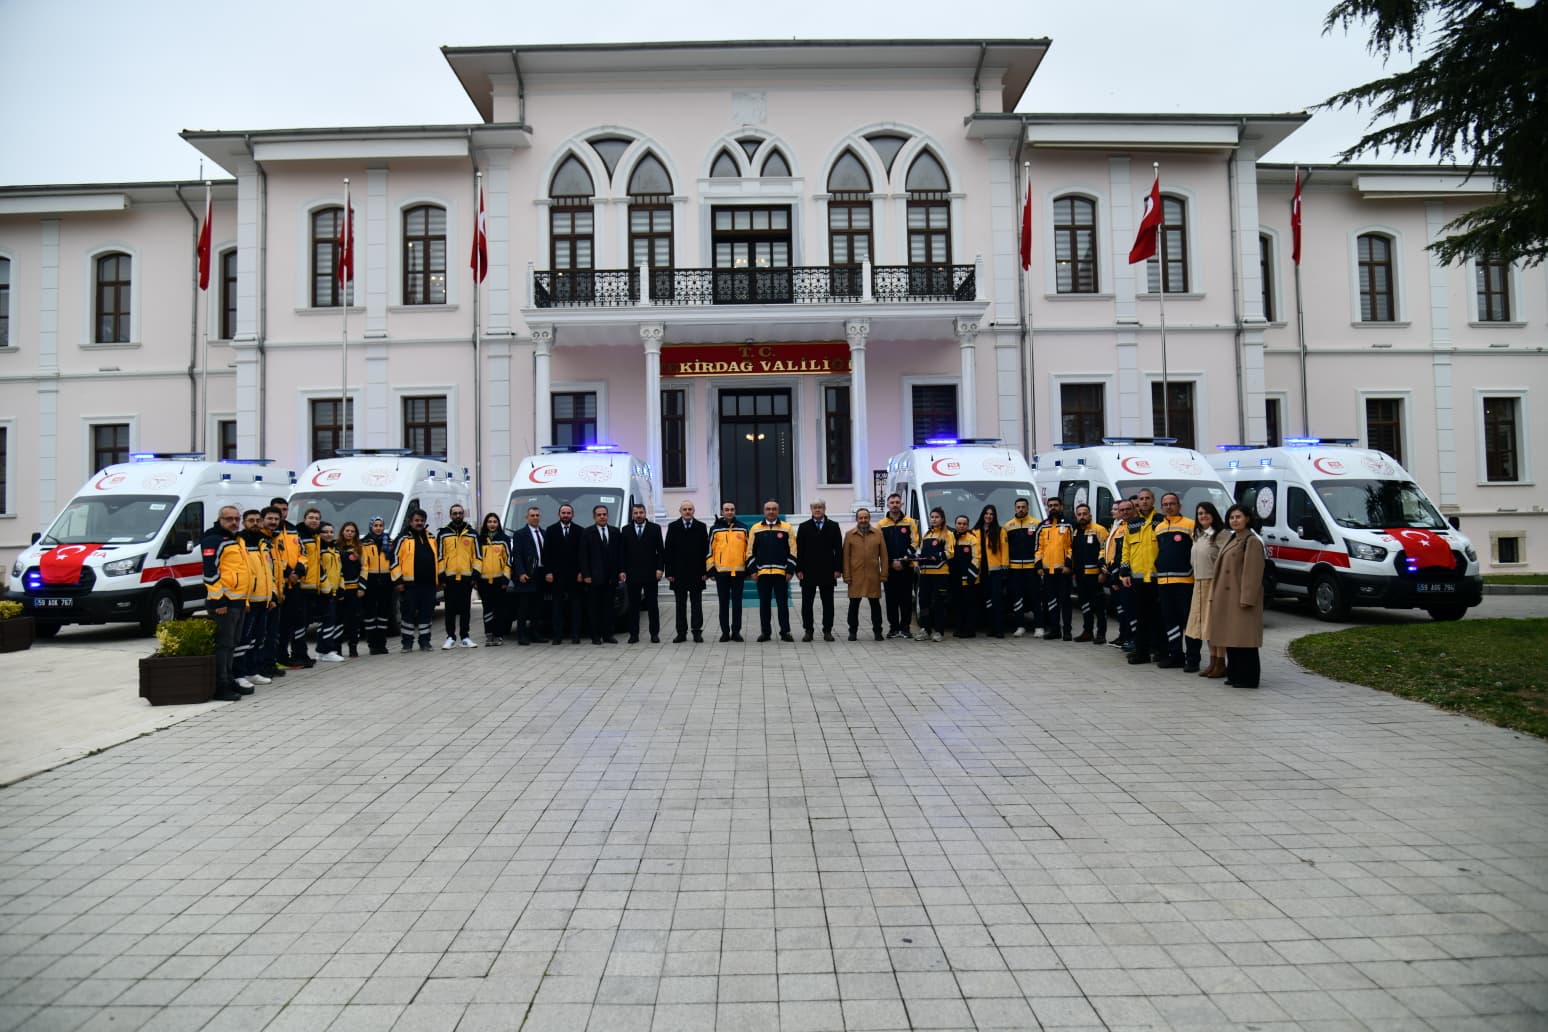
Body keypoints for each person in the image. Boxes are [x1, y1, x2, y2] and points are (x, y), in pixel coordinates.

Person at [1210, 504, 1267, 688]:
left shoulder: (1252, 541)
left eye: (1238, 517)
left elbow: (1253, 572)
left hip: (1241, 598)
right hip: (1227, 598)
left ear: (1247, 518)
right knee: (1232, 639)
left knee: (1245, 641)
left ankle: (1248, 678)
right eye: (1232, 517)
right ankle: (1234, 674)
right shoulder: (1232, 538)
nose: (1234, 520)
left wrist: (1247, 598)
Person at [202, 505, 250, 702]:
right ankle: (221, 685)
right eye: (229, 519)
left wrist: (244, 599)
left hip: (237, 601)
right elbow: (210, 572)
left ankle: (229, 680)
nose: (234, 522)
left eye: (237, 519)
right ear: (220, 519)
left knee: (232, 645)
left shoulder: (235, 540)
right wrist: (218, 599)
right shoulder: (213, 539)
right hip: (224, 603)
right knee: (223, 645)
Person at [1118, 489, 1163, 665]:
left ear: (1153, 501)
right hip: (1137, 578)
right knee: (1141, 617)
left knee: (1158, 617)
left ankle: (1159, 650)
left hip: (1156, 577)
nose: (1144, 502)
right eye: (1141, 499)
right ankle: (1141, 652)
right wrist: (1124, 572)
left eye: (1147, 498)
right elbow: (1126, 549)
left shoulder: (1160, 521)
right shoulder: (1133, 524)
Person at [1153, 492, 1196, 669]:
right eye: (1165, 504)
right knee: (1170, 620)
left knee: (1188, 621)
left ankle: (1193, 659)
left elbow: (1196, 551)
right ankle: (1176, 654)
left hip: (1185, 581)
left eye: (1172, 503)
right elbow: (1157, 552)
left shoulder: (1190, 525)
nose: (1168, 506)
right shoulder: (1159, 527)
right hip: (1164, 582)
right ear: (1161, 507)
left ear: (1179, 506)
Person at [746, 500, 797, 642]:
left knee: (782, 604)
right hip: (762, 574)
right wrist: (753, 571)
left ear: (778, 511)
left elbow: (793, 550)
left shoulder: (786, 528)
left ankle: (785, 632)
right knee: (764, 604)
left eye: (774, 509)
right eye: (768, 509)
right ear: (764, 511)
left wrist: (790, 571)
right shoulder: (756, 528)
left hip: (781, 574)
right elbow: (749, 551)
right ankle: (765, 632)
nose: (771, 511)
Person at [232, 510, 272, 692]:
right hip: (247, 600)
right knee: (243, 640)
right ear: (243, 523)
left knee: (258, 638)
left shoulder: (264, 543)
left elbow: (269, 571)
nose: (255, 523)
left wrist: (272, 595)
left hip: (264, 599)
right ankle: (239, 674)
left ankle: (252, 670)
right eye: (251, 520)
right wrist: (244, 600)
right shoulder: (238, 543)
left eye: (258, 520)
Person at [1187, 502, 1226, 676]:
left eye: (1206, 513)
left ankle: (1220, 662)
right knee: (1205, 627)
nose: (1203, 516)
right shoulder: (1199, 535)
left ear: (1213, 514)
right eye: (1200, 513)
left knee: (1216, 626)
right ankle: (1212, 660)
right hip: (1199, 583)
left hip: (1214, 583)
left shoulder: (1221, 535)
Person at [795, 499, 842, 642]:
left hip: (828, 571)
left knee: (828, 603)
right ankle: (808, 630)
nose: (817, 510)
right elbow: (799, 550)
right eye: (815, 507)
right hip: (808, 571)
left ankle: (827, 630)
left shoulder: (833, 526)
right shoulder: (803, 527)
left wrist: (838, 569)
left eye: (820, 507)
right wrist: (799, 569)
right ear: (811, 509)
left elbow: (838, 550)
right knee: (806, 603)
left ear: (824, 508)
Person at [663, 500, 709, 643]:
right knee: (680, 605)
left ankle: (697, 632)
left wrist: (706, 571)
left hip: (697, 573)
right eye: (685, 509)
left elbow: (705, 551)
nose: (687, 511)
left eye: (690, 509)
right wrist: (669, 572)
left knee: (697, 605)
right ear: (680, 511)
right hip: (678, 573)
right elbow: (668, 551)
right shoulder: (673, 527)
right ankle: (681, 633)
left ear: (693, 511)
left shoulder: (701, 527)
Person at [392, 508, 437, 652]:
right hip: (409, 584)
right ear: (411, 522)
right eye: (416, 520)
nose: (419, 523)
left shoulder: (431, 537)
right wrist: (398, 580)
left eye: (422, 521)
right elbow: (394, 560)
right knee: (408, 614)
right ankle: (407, 643)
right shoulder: (402, 538)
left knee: (426, 613)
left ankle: (425, 641)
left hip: (428, 584)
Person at [876, 494, 920, 638]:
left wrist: (903, 561)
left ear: (901, 504)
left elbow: (915, 543)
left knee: (906, 598)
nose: (895, 505)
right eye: (892, 502)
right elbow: (880, 546)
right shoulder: (881, 524)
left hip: (906, 567)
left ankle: (905, 627)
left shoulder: (910, 522)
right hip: (889, 568)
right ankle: (893, 627)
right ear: (888, 505)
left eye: (897, 502)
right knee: (891, 599)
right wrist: (890, 562)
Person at [580, 504, 625, 644]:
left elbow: (620, 554)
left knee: (609, 608)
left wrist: (621, 571)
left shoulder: (615, 532)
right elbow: (583, 555)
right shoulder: (587, 532)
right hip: (594, 578)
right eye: (599, 515)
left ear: (607, 516)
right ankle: (595, 636)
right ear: (594, 517)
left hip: (611, 577)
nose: (602, 517)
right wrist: (586, 574)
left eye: (604, 514)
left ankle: (608, 635)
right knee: (594, 608)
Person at [841, 507, 887, 640]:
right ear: (856, 519)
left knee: (875, 605)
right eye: (860, 518)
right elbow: (845, 557)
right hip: (855, 576)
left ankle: (878, 631)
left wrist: (884, 573)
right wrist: (847, 575)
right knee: (854, 605)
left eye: (865, 517)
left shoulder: (878, 533)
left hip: (873, 575)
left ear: (869, 518)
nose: (863, 520)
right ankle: (852, 631)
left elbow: (883, 555)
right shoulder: (850, 534)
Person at [438, 505, 480, 649]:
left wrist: (475, 575)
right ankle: (450, 637)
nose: (457, 516)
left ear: (464, 515)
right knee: (449, 609)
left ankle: (465, 636)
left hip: (466, 578)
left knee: (465, 609)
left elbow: (477, 556)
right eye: (455, 513)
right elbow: (440, 556)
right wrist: (442, 576)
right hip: (449, 578)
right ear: (450, 515)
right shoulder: (443, 534)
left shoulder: (472, 534)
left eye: (460, 513)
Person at [285, 506, 323, 668]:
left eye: (317, 518)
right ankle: (297, 655)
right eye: (311, 518)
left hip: (312, 587)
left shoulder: (316, 536)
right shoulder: (299, 534)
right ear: (304, 519)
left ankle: (303, 653)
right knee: (299, 623)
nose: (314, 521)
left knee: (305, 623)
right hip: (301, 586)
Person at [621, 503, 665, 643]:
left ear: (645, 513)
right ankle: (634, 634)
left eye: (641, 512)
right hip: (632, 574)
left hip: (651, 573)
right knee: (633, 606)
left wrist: (660, 569)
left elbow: (661, 552)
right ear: (632, 514)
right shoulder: (626, 530)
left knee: (652, 605)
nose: (638, 515)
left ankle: (654, 634)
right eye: (636, 513)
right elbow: (622, 552)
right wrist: (622, 570)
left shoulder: (655, 528)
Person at [1034, 497, 1073, 641]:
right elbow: (1038, 548)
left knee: (1065, 601)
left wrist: (1068, 565)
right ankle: (1054, 629)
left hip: (1063, 571)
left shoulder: (1069, 524)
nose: (1053, 508)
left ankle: (1067, 631)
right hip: (1047, 571)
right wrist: (1038, 566)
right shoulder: (1043, 526)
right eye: (1050, 506)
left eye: (1056, 505)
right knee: (1051, 602)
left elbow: (1071, 547)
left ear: (1061, 507)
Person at [545, 503, 585, 644]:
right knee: (557, 607)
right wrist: (548, 572)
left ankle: (575, 635)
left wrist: (582, 572)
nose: (566, 515)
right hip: (556, 576)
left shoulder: (580, 531)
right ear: (559, 515)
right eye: (563, 513)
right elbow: (546, 553)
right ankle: (557, 636)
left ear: (572, 515)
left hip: (575, 576)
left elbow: (582, 554)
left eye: (568, 513)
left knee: (576, 607)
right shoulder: (550, 530)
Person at [709, 502, 748, 642]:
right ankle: (725, 632)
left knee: (737, 604)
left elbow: (748, 550)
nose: (729, 512)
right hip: (721, 573)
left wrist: (748, 569)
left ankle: (736, 632)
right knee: (723, 603)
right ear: (722, 511)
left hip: (738, 572)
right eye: (726, 510)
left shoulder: (743, 528)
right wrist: (711, 570)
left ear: (735, 511)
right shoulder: (715, 529)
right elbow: (709, 551)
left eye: (732, 509)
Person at [1070, 504, 1109, 644]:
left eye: (1085, 513)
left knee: (1099, 605)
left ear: (1090, 515)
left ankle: (1101, 633)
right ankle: (1087, 632)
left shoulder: (1099, 530)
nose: (1082, 517)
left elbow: (1105, 550)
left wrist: (1103, 572)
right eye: (1079, 514)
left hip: (1095, 575)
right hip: (1080, 576)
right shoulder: (1075, 532)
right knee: (1084, 605)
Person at [916, 507, 954, 642]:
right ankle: (925, 629)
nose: (934, 519)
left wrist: (936, 556)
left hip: (940, 574)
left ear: (942, 519)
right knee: (923, 602)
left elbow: (950, 552)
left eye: (937, 517)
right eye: (932, 517)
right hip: (925, 574)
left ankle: (939, 631)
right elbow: (921, 551)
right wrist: (918, 560)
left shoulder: (948, 534)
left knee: (939, 603)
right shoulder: (927, 534)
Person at [510, 506, 546, 646]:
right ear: (527, 517)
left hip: (540, 574)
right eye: (532, 515)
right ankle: (522, 635)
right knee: (524, 608)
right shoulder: (520, 534)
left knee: (538, 607)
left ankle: (535, 633)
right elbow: (517, 555)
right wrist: (521, 573)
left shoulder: (544, 533)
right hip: (526, 575)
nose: (535, 517)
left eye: (537, 515)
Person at [1004, 497, 1040, 637]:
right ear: (1015, 509)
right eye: (1018, 507)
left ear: (1028, 508)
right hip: (1015, 569)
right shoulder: (1008, 526)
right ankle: (1020, 626)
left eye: (1023, 507)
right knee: (1017, 597)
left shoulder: (1036, 524)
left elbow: (1040, 546)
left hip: (1032, 568)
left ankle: (1039, 626)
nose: (1021, 509)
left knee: (1035, 596)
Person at [360, 516, 394, 655]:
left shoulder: (389, 542)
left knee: (383, 613)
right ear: (371, 527)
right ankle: (372, 644)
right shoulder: (364, 543)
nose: (378, 528)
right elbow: (363, 565)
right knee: (370, 614)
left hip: (386, 580)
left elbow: (393, 562)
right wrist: (362, 584)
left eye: (380, 525)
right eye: (375, 525)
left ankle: (382, 644)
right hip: (371, 580)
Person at [477, 512, 512, 646]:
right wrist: (476, 578)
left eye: (495, 522)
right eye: (489, 522)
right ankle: (489, 635)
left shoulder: (504, 539)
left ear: (498, 524)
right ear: (486, 524)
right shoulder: (480, 540)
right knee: (487, 609)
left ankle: (498, 635)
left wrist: (505, 578)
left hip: (499, 580)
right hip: (483, 581)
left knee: (499, 609)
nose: (492, 524)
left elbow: (509, 559)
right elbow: (476, 559)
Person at [312, 522, 345, 662]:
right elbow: (318, 570)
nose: (329, 534)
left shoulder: (335, 549)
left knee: (330, 621)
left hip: (335, 590)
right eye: (325, 531)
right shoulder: (318, 550)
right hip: (324, 591)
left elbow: (339, 571)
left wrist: (342, 587)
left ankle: (323, 650)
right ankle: (326, 650)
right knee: (326, 621)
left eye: (331, 531)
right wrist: (326, 589)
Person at [1104, 500, 1133, 652]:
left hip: (1121, 573)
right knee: (1120, 609)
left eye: (1119, 509)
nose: (1117, 512)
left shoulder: (1128, 527)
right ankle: (1123, 636)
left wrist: (1115, 573)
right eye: (1116, 509)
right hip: (1112, 571)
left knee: (1126, 609)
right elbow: (1109, 548)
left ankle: (1128, 637)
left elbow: (1122, 553)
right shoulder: (1116, 526)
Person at [975, 504, 1009, 637]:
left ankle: (999, 629)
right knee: (986, 600)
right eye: (987, 513)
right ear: (983, 515)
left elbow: (1005, 551)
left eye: (991, 514)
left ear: (994, 516)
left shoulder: (1000, 531)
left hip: (995, 573)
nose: (988, 516)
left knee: (997, 601)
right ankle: (990, 627)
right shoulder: (975, 531)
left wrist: (1004, 569)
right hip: (980, 572)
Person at [949, 515, 980, 638]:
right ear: (955, 524)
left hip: (969, 579)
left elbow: (977, 558)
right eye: (959, 523)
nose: (961, 526)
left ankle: (969, 630)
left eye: (964, 524)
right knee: (957, 605)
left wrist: (971, 576)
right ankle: (958, 628)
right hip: (955, 579)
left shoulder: (972, 539)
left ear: (968, 526)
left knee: (969, 606)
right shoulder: (951, 538)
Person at [337, 521, 364, 657]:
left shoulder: (359, 548)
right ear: (342, 532)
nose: (349, 533)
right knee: (339, 620)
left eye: (352, 531)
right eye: (347, 530)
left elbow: (365, 568)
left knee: (354, 620)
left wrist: (361, 587)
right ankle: (337, 649)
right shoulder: (337, 547)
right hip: (341, 590)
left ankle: (353, 647)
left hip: (355, 590)